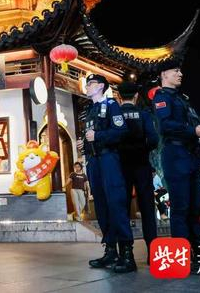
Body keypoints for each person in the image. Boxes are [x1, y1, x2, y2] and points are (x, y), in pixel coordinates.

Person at [152, 59, 200, 271]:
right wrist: (193, 131)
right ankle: (181, 258)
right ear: (164, 75)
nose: (180, 74)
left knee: (194, 208)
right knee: (180, 208)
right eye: (175, 71)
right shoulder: (162, 97)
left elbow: (192, 123)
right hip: (175, 155)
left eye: (180, 70)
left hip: (191, 155)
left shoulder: (183, 99)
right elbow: (165, 125)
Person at [82, 74, 135, 273]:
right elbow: (89, 135)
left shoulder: (111, 105)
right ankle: (110, 250)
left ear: (101, 87)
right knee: (101, 206)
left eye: (91, 84)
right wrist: (84, 143)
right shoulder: (89, 110)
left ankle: (127, 254)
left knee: (115, 202)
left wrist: (98, 136)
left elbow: (121, 131)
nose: (87, 86)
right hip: (94, 161)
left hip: (109, 159)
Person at [117, 81, 159, 262]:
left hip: (121, 167)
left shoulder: (116, 115)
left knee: (123, 209)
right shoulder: (144, 114)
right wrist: (142, 149)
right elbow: (154, 139)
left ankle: (126, 252)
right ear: (136, 96)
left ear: (119, 97)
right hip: (142, 165)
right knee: (147, 208)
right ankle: (153, 252)